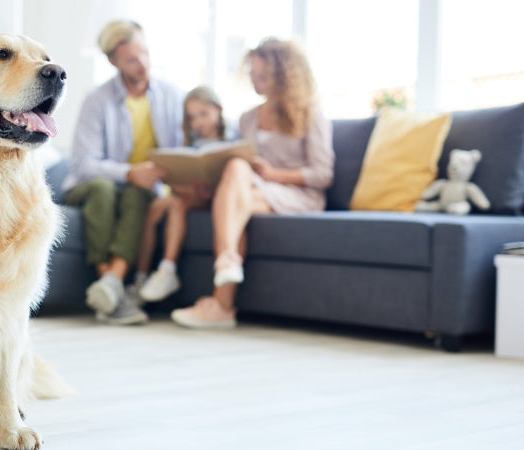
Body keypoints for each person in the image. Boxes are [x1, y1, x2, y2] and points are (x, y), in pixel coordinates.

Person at [170, 37, 334, 329]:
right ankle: (224, 285)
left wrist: (273, 174)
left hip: (299, 195)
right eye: (253, 76)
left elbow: (323, 174)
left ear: (284, 76)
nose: (256, 82)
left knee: (234, 191)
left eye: (263, 76)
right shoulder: (248, 118)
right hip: (255, 190)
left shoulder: (311, 114)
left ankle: (221, 297)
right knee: (235, 172)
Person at [62, 20, 184, 325]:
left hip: (141, 189)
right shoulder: (97, 100)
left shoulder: (171, 96)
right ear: (113, 61)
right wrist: (130, 172)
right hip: (89, 186)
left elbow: (183, 149)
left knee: (139, 193)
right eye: (131, 58)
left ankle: (110, 288)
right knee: (105, 189)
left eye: (144, 52)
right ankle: (112, 286)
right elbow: (83, 164)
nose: (142, 63)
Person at [136, 86, 235, 302]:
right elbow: (180, 185)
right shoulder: (191, 144)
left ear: (218, 110)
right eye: (192, 118)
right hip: (194, 195)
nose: (198, 122)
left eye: (203, 114)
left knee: (176, 204)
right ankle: (142, 277)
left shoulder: (233, 138)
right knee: (156, 206)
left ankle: (166, 270)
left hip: (221, 198)